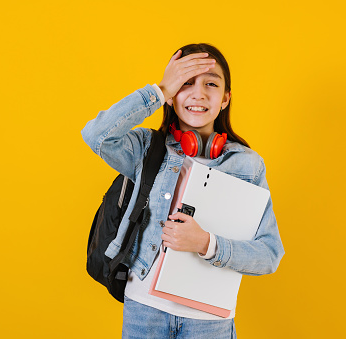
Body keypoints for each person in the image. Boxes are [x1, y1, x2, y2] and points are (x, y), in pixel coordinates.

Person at [82, 43, 284, 339]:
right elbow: (96, 134)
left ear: (226, 98)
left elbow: (269, 254)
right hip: (144, 312)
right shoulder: (146, 149)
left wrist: (206, 243)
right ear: (173, 96)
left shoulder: (248, 165)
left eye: (211, 84)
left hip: (210, 322)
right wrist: (159, 90)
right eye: (186, 82)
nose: (198, 94)